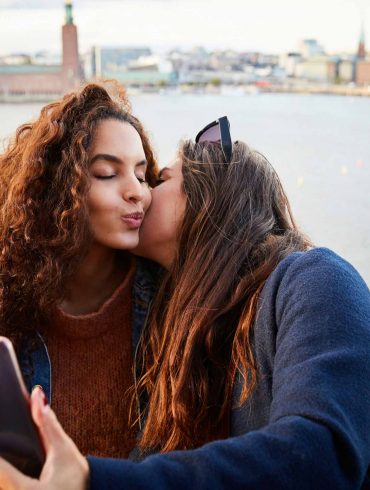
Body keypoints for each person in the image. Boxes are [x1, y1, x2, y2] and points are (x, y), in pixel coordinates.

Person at [1, 117, 370, 490]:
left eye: (156, 180)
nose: (141, 194)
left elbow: (320, 454)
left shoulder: (314, 279)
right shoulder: (183, 326)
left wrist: (91, 480)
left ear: (208, 198)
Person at [0, 81, 160, 462]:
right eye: (107, 173)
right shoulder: (10, 295)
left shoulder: (168, 298)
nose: (137, 191)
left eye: (141, 174)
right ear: (57, 189)